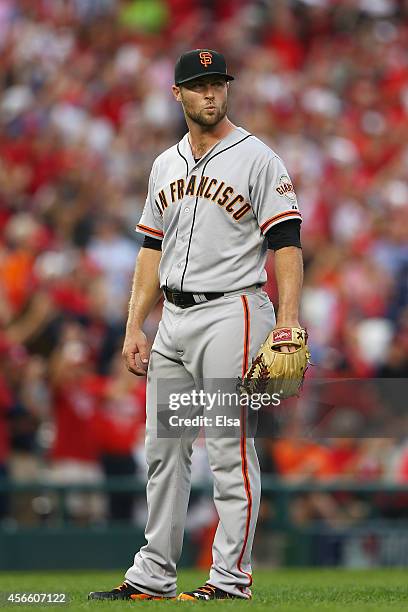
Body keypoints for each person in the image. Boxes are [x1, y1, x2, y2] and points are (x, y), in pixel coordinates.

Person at [89, 48, 304, 602]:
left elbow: (286, 244)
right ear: (177, 94)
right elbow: (150, 250)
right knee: (164, 449)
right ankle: (153, 575)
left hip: (231, 311)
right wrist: (134, 326)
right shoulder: (165, 163)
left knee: (228, 448)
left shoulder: (258, 158)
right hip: (174, 319)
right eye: (199, 85)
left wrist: (287, 322)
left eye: (218, 83)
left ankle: (229, 580)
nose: (210, 93)